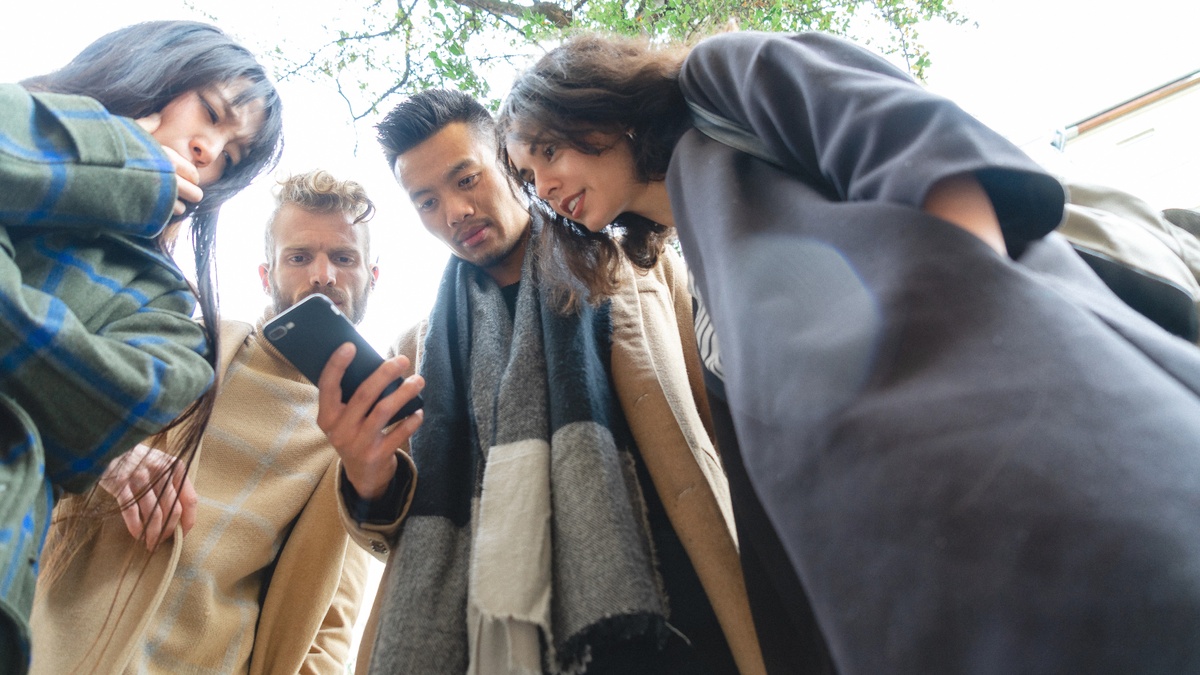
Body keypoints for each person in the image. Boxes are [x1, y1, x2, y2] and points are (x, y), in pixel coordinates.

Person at [497, 31, 1200, 674]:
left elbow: (922, 145)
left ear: (598, 104)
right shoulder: (696, 283)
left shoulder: (717, 82)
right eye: (528, 179)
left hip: (1031, 447)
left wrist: (998, 343)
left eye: (548, 152)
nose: (544, 190)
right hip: (928, 565)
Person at [315, 89, 767, 675]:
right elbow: (390, 530)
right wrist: (366, 478)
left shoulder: (637, 263)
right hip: (489, 640)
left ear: (508, 162)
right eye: (426, 201)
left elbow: (722, 416)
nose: (453, 211)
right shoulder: (416, 350)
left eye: (466, 179)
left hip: (678, 611)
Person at [0, 20, 282, 670]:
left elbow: (96, 406)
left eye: (233, 156)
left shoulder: (168, 315)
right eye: (211, 114)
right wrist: (116, 159)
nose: (212, 150)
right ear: (149, 69)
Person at [29, 170, 375, 673]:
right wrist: (108, 452)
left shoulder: (357, 442)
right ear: (266, 274)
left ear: (372, 276)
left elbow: (328, 631)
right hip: (58, 647)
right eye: (299, 257)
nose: (323, 275)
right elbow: (31, 413)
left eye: (344, 258)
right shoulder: (179, 345)